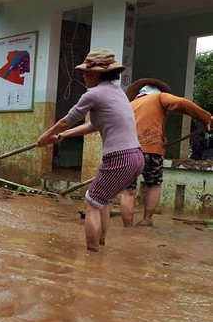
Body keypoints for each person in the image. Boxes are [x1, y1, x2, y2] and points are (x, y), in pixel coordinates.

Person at [36, 48, 144, 252]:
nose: (84, 76)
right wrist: (63, 136)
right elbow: (93, 125)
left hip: (119, 157)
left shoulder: (94, 93)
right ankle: (101, 244)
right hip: (136, 156)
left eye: (85, 72)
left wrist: (44, 137)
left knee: (90, 204)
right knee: (100, 201)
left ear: (95, 73)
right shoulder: (115, 91)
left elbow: (66, 120)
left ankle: (92, 256)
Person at [120, 78, 212, 227]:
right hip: (151, 151)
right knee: (154, 185)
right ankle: (146, 221)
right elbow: (182, 103)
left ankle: (128, 228)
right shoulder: (159, 97)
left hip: (127, 152)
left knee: (128, 191)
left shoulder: (129, 105)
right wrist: (207, 117)